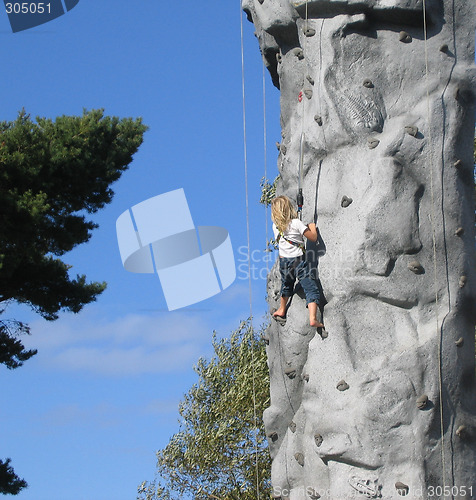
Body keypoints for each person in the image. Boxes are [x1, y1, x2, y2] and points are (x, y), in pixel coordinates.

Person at [271, 195, 324, 328]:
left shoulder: (275, 227)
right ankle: (313, 318)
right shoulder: (296, 223)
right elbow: (313, 237)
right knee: (311, 288)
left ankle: (282, 309)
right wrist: (311, 226)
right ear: (289, 209)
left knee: (286, 285)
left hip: (284, 264)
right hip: (298, 261)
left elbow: (289, 232)